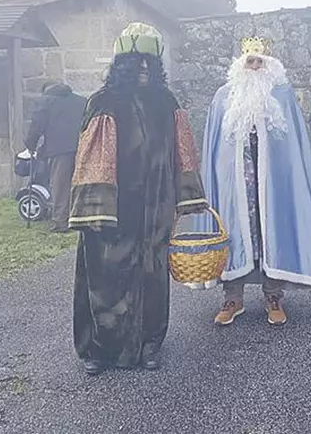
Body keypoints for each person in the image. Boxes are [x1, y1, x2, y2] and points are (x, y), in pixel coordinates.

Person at [68, 23, 206, 375]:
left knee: (153, 276)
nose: (143, 67)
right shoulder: (104, 102)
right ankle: (99, 349)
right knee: (106, 275)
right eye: (136, 61)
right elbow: (92, 158)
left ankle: (149, 344)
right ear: (122, 64)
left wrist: (183, 198)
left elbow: (183, 153)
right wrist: (98, 210)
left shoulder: (167, 103)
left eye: (149, 61)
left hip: (157, 206)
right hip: (115, 209)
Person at [196, 36, 311, 327]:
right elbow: (214, 142)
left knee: (272, 229)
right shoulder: (224, 96)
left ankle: (273, 295)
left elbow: (292, 145)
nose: (254, 66)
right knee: (233, 231)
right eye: (250, 61)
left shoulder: (282, 95)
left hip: (272, 178)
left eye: (259, 61)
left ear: (269, 64)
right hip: (235, 181)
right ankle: (232, 297)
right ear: (241, 63)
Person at [24, 81, 87, 232]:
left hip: (59, 149)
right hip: (83, 146)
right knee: (81, 183)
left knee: (60, 185)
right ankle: (82, 218)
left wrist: (30, 144)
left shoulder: (45, 101)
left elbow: (37, 125)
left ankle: (61, 222)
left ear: (45, 90)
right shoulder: (81, 101)